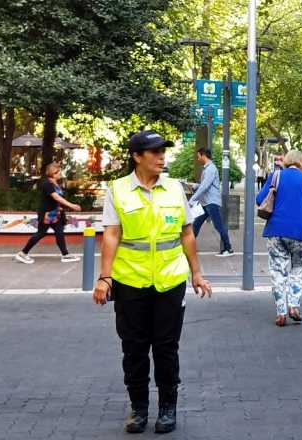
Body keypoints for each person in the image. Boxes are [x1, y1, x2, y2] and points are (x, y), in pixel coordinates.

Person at [91, 130, 213, 433]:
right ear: (137, 156)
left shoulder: (174, 189)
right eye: (155, 152)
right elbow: (111, 235)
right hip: (130, 280)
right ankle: (139, 408)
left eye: (163, 151)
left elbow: (187, 233)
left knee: (166, 347)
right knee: (133, 348)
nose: (162, 157)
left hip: (170, 281)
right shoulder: (118, 190)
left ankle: (168, 408)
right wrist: (104, 278)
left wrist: (196, 272)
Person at [257, 150, 302, 326]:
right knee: (298, 269)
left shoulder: (275, 176)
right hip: (300, 232)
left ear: (286, 161)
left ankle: (280, 313)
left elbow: (259, 199)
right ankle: (294, 305)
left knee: (278, 272)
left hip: (275, 231)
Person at [14, 162, 83, 264]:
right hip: (47, 214)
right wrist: (72, 205)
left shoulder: (54, 183)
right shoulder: (47, 184)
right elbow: (56, 197)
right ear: (53, 173)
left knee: (59, 232)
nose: (60, 173)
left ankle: (65, 255)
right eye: (58, 172)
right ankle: (22, 253)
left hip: (55, 214)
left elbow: (58, 199)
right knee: (41, 233)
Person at [190, 148, 234, 257]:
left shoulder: (210, 169)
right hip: (206, 203)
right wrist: (195, 185)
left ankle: (228, 249)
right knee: (196, 225)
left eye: (198, 156)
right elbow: (204, 185)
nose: (198, 158)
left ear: (203, 155)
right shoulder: (207, 168)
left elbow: (205, 187)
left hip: (211, 202)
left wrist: (192, 199)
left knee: (218, 226)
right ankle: (189, 247)